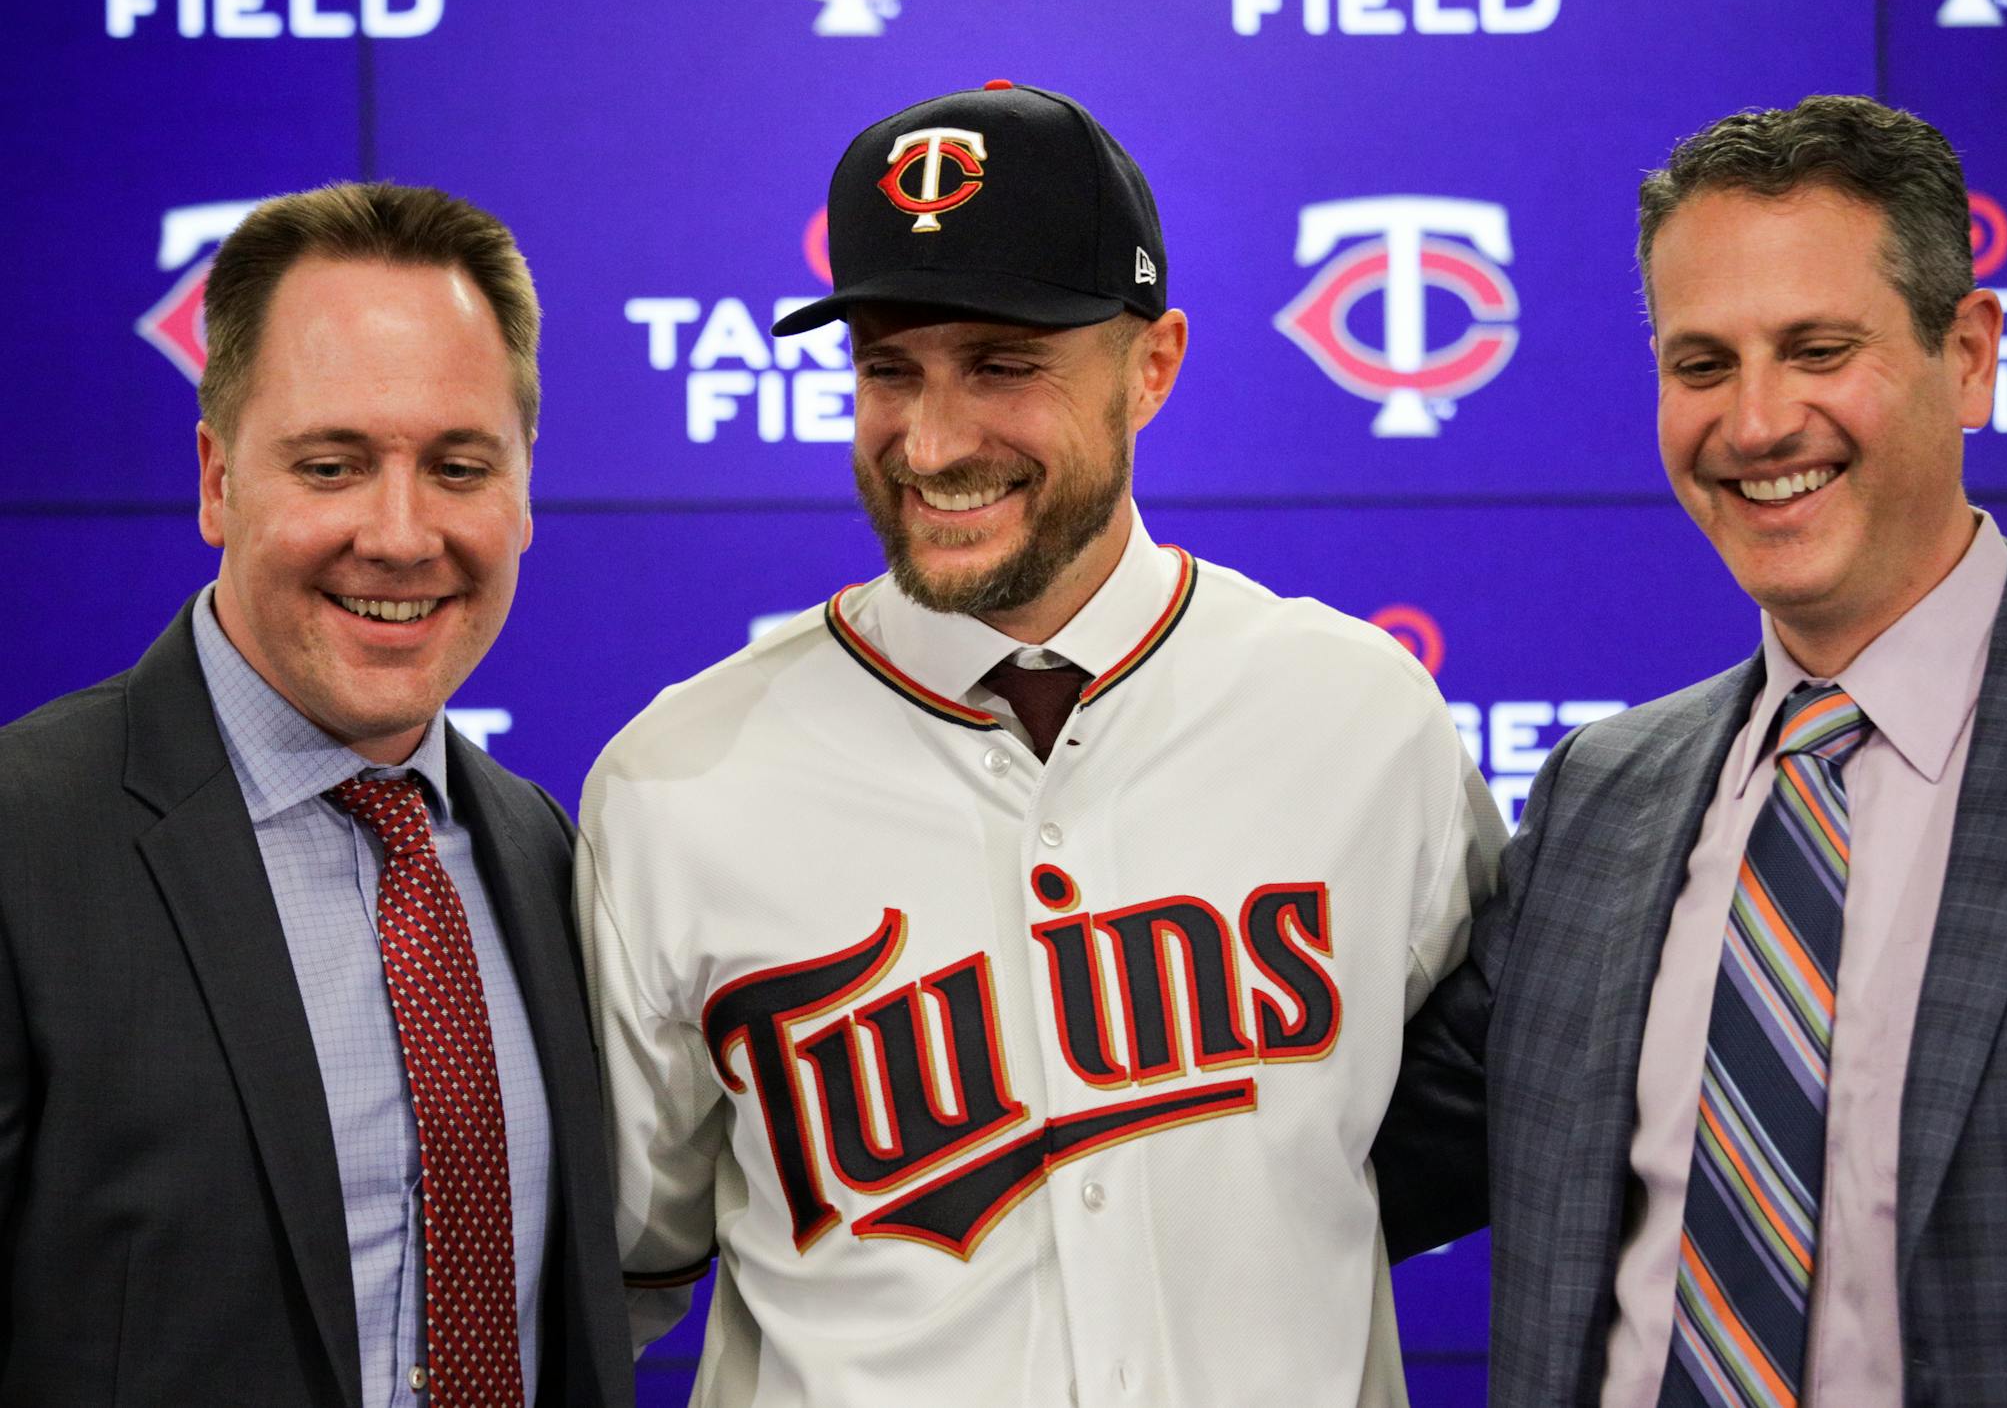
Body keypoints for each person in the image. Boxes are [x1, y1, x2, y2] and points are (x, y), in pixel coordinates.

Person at [576, 81, 1505, 1407]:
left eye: (1004, 363)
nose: (934, 439)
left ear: (1154, 362)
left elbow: (1465, 1123)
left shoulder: (1360, 717)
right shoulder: (677, 781)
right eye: (889, 366)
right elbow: (605, 1274)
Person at [1376, 94, 2007, 1406]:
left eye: (1815, 347)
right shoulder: (1598, 795)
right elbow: (1336, 1161)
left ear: (1968, 354)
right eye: (1701, 363)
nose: (1754, 422)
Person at [0, 183, 634, 1406]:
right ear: (217, 479)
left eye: (459, 466)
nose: (400, 535)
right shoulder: (26, 844)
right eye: (333, 465)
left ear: (524, 492)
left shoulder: (544, 846)